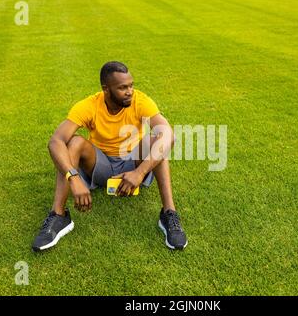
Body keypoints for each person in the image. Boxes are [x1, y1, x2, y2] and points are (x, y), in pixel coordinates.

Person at [32, 61, 188, 252]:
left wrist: (139, 173)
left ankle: (169, 214)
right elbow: (55, 141)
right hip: (99, 164)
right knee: (73, 142)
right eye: (122, 87)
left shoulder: (140, 100)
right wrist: (73, 178)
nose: (129, 91)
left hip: (133, 161)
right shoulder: (89, 105)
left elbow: (169, 134)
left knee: (157, 140)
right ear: (106, 89)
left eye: (131, 85)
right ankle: (58, 216)